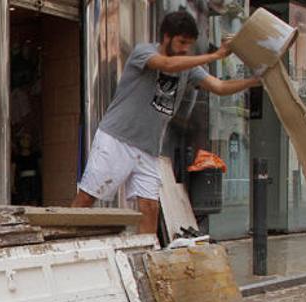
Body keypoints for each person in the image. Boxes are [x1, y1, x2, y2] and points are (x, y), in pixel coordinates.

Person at [72, 10, 259, 234]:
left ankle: (147, 258)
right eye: (181, 42)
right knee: (87, 199)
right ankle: (61, 249)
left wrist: (255, 81)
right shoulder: (144, 52)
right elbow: (167, 65)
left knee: (150, 208)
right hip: (117, 139)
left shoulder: (188, 67)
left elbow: (218, 87)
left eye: (189, 44)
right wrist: (215, 56)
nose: (185, 49)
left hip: (148, 148)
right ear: (166, 37)